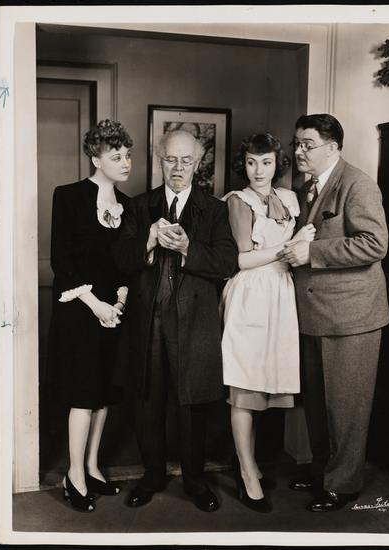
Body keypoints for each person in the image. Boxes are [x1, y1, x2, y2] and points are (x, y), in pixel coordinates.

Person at [113, 130, 238, 512]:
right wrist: (148, 241)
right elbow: (119, 260)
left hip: (194, 323)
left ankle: (195, 481)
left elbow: (227, 262)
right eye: (171, 159)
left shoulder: (213, 209)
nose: (178, 168)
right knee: (147, 403)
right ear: (160, 160)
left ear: (198, 164)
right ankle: (151, 477)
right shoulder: (139, 206)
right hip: (147, 322)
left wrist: (188, 248)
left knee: (192, 406)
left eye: (186, 160)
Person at [281, 114, 389, 512]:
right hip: (315, 314)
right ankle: (322, 473)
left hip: (351, 318)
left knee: (346, 408)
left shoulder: (357, 184)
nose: (299, 151)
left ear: (332, 148)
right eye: (297, 143)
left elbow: (374, 244)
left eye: (307, 144)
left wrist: (312, 252)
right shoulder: (306, 189)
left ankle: (342, 485)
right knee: (318, 404)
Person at [220, 133, 316, 512]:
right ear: (242, 165)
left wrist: (295, 247)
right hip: (251, 294)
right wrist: (291, 246)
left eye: (266, 162)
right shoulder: (238, 201)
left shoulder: (289, 198)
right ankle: (246, 473)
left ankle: (251, 463)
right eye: (251, 163)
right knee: (245, 385)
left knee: (263, 385)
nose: (258, 171)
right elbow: (242, 259)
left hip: (280, 294)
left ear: (278, 164)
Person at [47, 119, 133, 512]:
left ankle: (93, 468)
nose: (125, 162)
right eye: (116, 156)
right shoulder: (67, 196)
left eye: (127, 155)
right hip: (79, 311)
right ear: (96, 159)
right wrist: (95, 304)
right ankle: (74, 476)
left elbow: (125, 264)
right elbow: (61, 261)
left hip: (112, 312)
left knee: (104, 394)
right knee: (83, 395)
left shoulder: (129, 205)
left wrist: (118, 301)